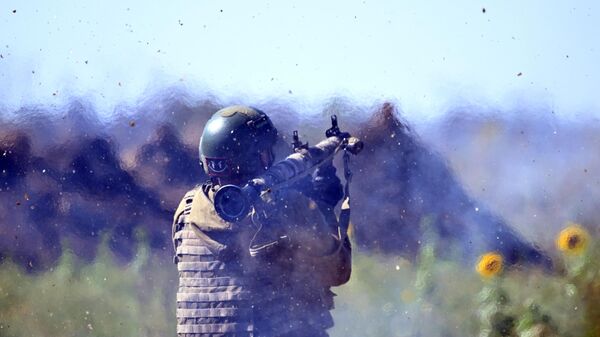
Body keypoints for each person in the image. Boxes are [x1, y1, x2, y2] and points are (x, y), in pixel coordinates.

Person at [172, 105, 352, 337]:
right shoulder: (287, 207)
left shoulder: (186, 210)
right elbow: (338, 270)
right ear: (258, 158)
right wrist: (324, 204)